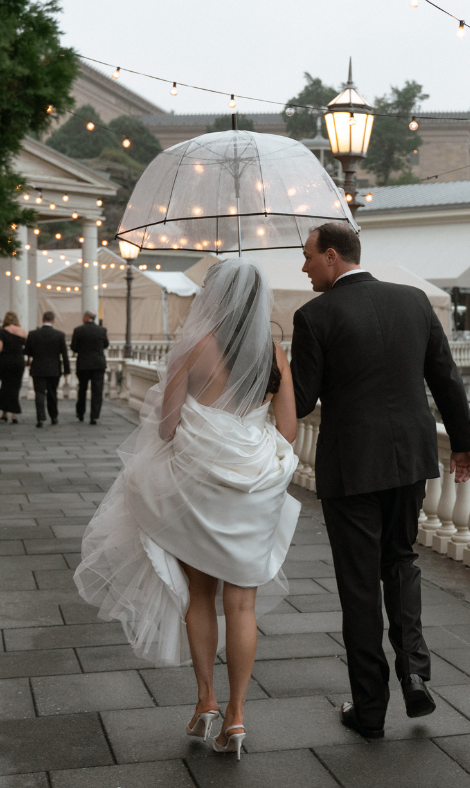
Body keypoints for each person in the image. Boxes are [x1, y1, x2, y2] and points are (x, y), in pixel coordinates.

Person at [74, 258, 298, 761]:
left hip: (200, 486)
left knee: (200, 596)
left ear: (213, 299)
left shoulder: (194, 349)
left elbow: (167, 427)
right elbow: (288, 431)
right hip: (253, 487)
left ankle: (206, 701)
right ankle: (238, 717)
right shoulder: (274, 354)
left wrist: (207, 424)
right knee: (243, 604)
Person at [290, 222, 470, 740]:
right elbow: (445, 376)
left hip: (351, 468)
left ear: (331, 257)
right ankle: (414, 670)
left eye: (307, 258)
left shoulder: (314, 317)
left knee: (358, 585)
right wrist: (463, 442)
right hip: (409, 460)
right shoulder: (414, 301)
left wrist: (271, 365)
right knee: (400, 560)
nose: (303, 267)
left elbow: (301, 403)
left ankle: (369, 709)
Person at [25, 311, 70, 428]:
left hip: (38, 368)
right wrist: (67, 370)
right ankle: (54, 416)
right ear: (53, 320)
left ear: (42, 319)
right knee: (52, 393)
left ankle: (40, 418)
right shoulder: (59, 335)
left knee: (39, 393)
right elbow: (64, 354)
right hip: (54, 369)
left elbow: (27, 351)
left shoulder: (33, 334)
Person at [71, 310, 109, 425]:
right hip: (98, 364)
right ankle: (94, 416)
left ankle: (81, 412)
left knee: (82, 389)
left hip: (83, 364)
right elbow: (106, 344)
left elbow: (74, 347)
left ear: (87, 317)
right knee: (97, 391)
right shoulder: (102, 330)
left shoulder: (78, 330)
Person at [0, 311, 28, 424]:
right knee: (16, 386)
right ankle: (14, 414)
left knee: (6, 386)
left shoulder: (2, 332)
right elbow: (28, 347)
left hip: (6, 361)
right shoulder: (22, 331)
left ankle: (4, 413)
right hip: (18, 361)